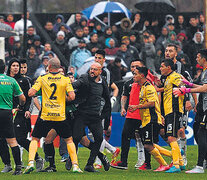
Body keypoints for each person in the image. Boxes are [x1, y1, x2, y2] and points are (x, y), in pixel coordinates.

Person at [24, 58, 82, 174]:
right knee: (69, 140)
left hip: (45, 115)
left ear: (49, 67)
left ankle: (30, 162)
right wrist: (62, 98)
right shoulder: (65, 80)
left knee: (35, 138)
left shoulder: (42, 78)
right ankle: (75, 165)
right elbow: (72, 97)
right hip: (60, 116)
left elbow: (30, 93)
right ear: (59, 67)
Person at [129, 66, 171, 171]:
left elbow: (152, 103)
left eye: (135, 74)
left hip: (151, 119)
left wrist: (137, 107)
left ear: (142, 75)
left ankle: (164, 164)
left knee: (148, 145)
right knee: (150, 144)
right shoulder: (142, 87)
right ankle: (176, 156)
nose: (133, 76)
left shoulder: (148, 87)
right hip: (146, 120)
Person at [72, 62, 111, 172]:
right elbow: (76, 84)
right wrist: (69, 85)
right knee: (76, 137)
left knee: (99, 138)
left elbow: (107, 101)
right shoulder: (84, 78)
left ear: (100, 71)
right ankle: (72, 159)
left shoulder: (103, 82)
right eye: (91, 69)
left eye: (95, 69)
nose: (92, 71)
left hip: (95, 116)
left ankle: (89, 164)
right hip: (82, 114)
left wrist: (106, 120)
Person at [173, 49, 207, 173]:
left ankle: (199, 166)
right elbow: (201, 87)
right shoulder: (203, 72)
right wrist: (189, 84)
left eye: (198, 57)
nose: (196, 59)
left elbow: (205, 88)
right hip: (203, 107)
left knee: (202, 132)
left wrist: (186, 90)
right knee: (198, 130)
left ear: (204, 58)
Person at [111, 59, 145, 170]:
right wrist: (122, 108)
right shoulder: (129, 83)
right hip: (132, 114)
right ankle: (124, 162)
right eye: (132, 66)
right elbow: (124, 96)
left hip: (145, 114)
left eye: (137, 66)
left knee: (145, 139)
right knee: (126, 135)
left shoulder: (148, 82)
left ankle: (146, 161)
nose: (134, 68)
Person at [0, 59, 26, 175]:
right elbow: (23, 98)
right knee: (12, 140)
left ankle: (7, 164)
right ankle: (18, 168)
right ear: (5, 68)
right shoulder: (11, 81)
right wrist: (20, 106)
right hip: (7, 113)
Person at [159, 59, 185, 173]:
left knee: (171, 137)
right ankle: (181, 162)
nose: (160, 68)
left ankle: (176, 166)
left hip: (174, 110)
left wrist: (181, 89)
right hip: (168, 111)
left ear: (168, 67)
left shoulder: (175, 76)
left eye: (162, 66)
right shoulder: (168, 78)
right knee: (170, 136)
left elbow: (183, 85)